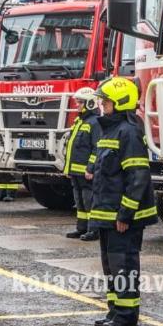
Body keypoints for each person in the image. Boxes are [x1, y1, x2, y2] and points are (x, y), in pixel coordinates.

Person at [88, 77, 156, 326]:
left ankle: (126, 318)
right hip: (108, 215)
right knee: (112, 268)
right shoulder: (111, 129)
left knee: (124, 267)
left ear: (120, 103)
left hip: (122, 218)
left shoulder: (128, 132)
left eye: (105, 102)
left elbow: (137, 177)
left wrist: (125, 214)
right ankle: (115, 312)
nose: (101, 106)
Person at [64, 87, 102, 241]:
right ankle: (82, 228)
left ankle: (94, 230)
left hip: (86, 172)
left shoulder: (94, 123)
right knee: (79, 200)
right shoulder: (80, 121)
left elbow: (96, 148)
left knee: (89, 200)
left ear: (90, 103)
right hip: (75, 171)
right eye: (77, 102)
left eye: (80, 102)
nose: (77, 105)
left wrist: (90, 168)